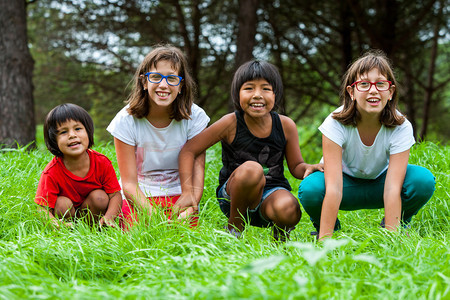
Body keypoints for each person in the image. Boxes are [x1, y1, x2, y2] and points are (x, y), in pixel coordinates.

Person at [178, 60, 323, 241]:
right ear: (237, 93)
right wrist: (187, 192)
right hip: (234, 197)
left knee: (290, 208)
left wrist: (309, 168)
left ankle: (280, 240)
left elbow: (296, 166)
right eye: (249, 88)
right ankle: (235, 228)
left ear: (275, 94)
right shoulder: (230, 123)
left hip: (271, 193)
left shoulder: (285, 125)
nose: (257, 95)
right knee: (252, 169)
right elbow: (189, 151)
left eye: (265, 89)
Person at [298, 50, 436, 240]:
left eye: (380, 84)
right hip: (344, 184)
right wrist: (325, 241)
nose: (373, 90)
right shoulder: (334, 123)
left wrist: (392, 238)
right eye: (363, 84)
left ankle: (397, 223)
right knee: (310, 189)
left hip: (382, 183)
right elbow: (334, 188)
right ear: (351, 92)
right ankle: (325, 227)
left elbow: (392, 187)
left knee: (422, 180)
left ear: (391, 91)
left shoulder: (401, 126)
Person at [107, 44, 209, 228]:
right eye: (155, 77)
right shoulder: (125, 120)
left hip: (180, 194)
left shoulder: (196, 117)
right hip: (139, 196)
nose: (163, 85)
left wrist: (190, 206)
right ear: (144, 82)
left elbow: (197, 169)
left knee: (183, 239)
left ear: (181, 85)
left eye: (171, 78)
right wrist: (155, 217)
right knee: (139, 236)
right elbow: (129, 184)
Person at [35, 103, 122, 228]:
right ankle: (69, 233)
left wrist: (109, 218)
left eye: (78, 129)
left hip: (92, 212)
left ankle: (94, 230)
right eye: (64, 132)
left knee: (100, 197)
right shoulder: (52, 171)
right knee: (61, 203)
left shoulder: (101, 162)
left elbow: (115, 195)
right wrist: (55, 224)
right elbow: (42, 208)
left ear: (88, 131)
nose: (72, 135)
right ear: (54, 140)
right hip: (66, 218)